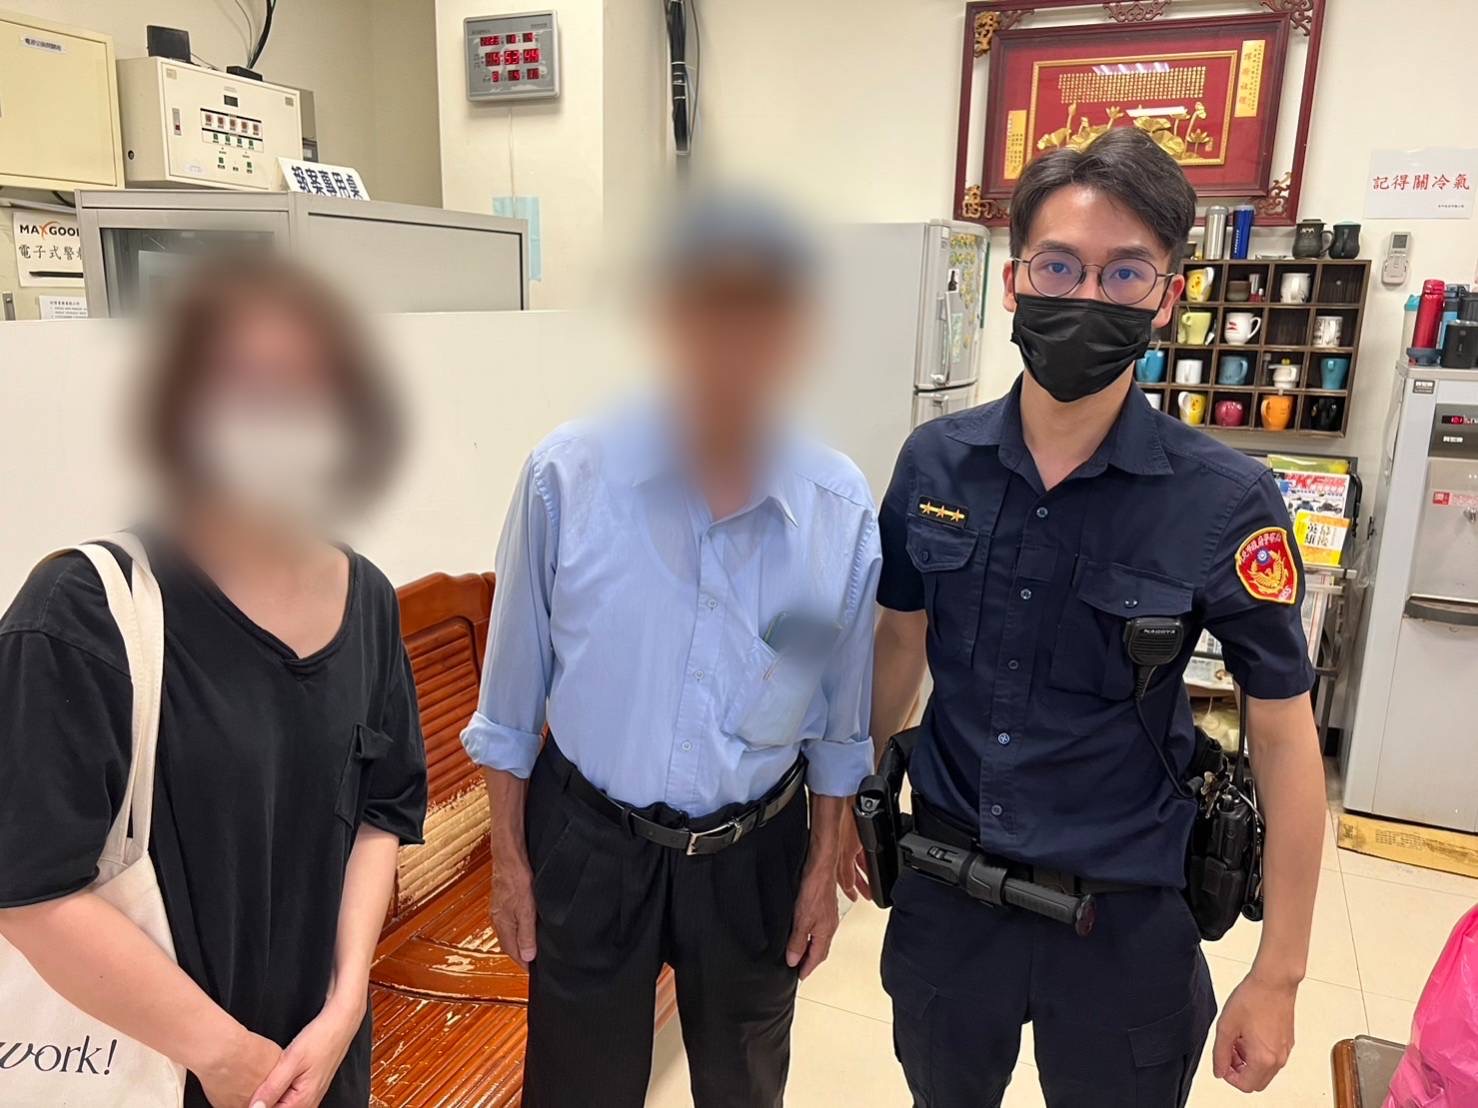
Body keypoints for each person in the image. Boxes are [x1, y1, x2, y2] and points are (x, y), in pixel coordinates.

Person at [846, 127, 1327, 1106]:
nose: (1086, 295)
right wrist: (849, 797)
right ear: (1013, 280)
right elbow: (898, 638)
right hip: (946, 899)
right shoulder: (935, 464)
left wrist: (1277, 975)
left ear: (1167, 295)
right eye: (1059, 265)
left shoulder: (1224, 503)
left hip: (1124, 924)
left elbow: (1282, 734)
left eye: (1124, 272)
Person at [461, 193, 880, 1108]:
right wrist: (510, 862)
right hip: (589, 841)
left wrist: (822, 870)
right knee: (576, 1090)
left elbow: (838, 729)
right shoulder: (567, 477)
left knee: (745, 1086)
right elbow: (509, 703)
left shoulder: (836, 511)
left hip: (753, 851)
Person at [0, 255, 428, 1108]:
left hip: (322, 1063)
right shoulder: (81, 615)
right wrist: (225, 1056)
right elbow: (28, 890)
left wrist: (346, 1006)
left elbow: (381, 811)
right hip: (162, 1072)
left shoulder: (369, 600)